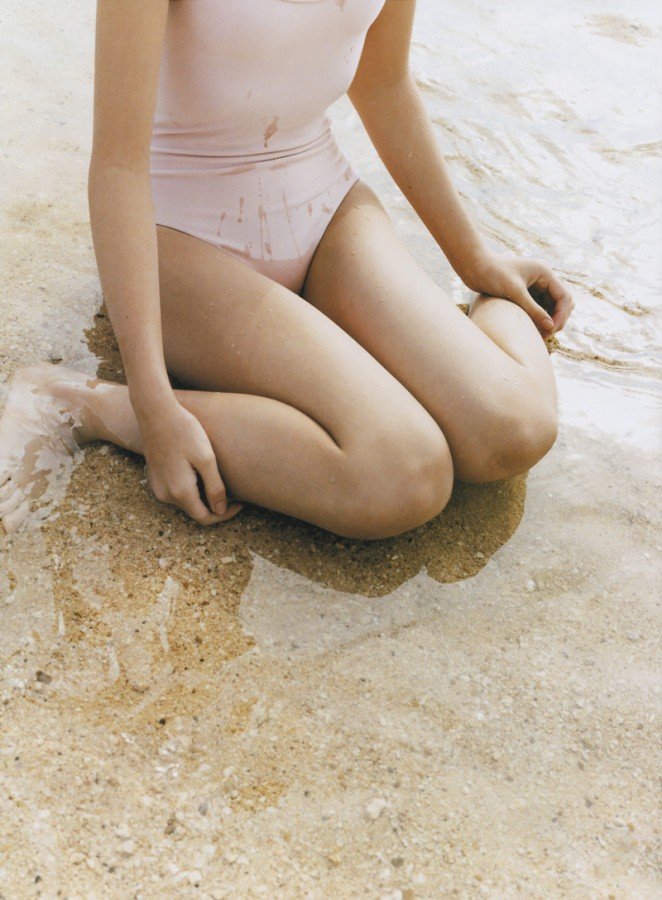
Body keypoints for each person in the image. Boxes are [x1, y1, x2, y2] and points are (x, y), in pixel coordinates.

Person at [0, 0, 573, 540]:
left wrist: (473, 259)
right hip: (180, 239)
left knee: (512, 429)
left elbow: (384, 82)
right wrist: (152, 405)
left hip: (326, 208)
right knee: (403, 475)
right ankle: (75, 401)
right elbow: (118, 167)